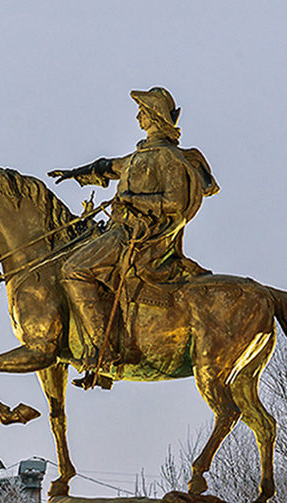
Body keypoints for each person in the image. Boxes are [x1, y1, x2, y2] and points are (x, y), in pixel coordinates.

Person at [50, 86, 218, 388]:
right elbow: (109, 166)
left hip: (140, 236)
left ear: (154, 116)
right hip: (120, 229)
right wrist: (76, 173)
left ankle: (102, 350)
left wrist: (133, 201)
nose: (137, 114)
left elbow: (175, 203)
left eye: (142, 110)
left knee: (73, 270)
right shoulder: (143, 154)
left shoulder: (169, 159)